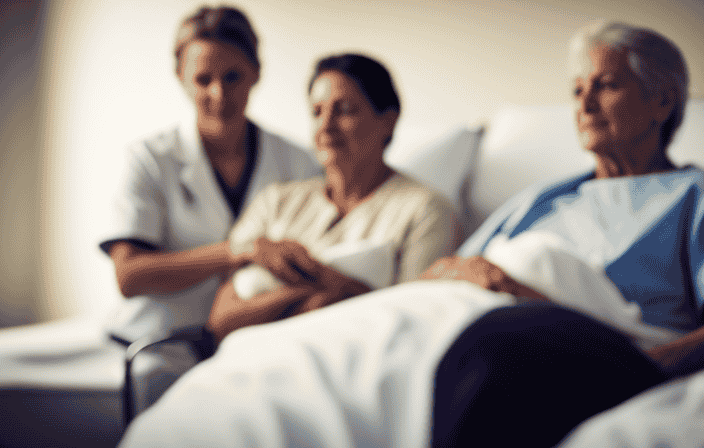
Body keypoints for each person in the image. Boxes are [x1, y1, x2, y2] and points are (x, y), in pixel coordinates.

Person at [120, 21, 699, 448]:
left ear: (663, 101)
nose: (584, 104)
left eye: (606, 86)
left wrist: (644, 364)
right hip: (472, 310)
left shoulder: (690, 199)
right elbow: (440, 277)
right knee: (286, 367)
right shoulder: (546, 197)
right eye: (577, 90)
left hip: (577, 330)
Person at [201, 53, 462, 350]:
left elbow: (415, 326)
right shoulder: (276, 202)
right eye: (316, 112)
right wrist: (328, 291)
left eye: (345, 110)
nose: (326, 126)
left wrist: (287, 294)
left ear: (388, 121)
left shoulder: (425, 211)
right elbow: (222, 320)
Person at [99, 6, 321, 345]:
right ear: (181, 78)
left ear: (256, 72)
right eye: (204, 79)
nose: (219, 95)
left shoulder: (299, 163)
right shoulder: (149, 159)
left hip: (257, 342)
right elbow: (129, 276)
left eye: (232, 76)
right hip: (155, 341)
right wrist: (239, 250)